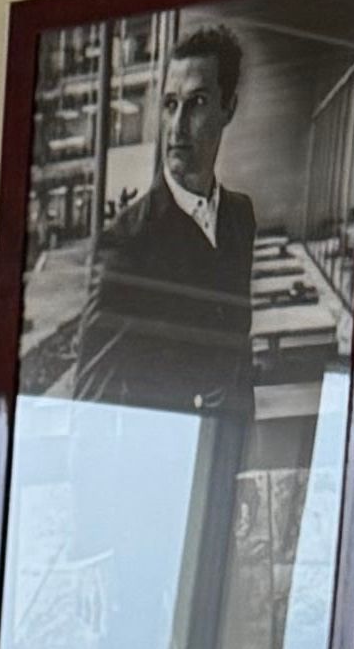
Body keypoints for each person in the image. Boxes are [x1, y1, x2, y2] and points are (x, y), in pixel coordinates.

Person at [66, 21, 261, 419]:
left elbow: (237, 349)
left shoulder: (240, 217)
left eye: (198, 103)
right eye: (171, 104)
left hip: (226, 449)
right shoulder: (127, 242)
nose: (177, 125)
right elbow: (90, 399)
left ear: (229, 108)